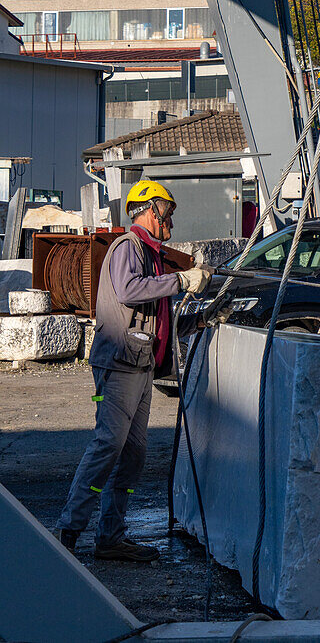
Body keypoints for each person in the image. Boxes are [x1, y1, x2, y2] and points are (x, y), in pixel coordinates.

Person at [55, 180, 216, 563]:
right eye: (168, 215)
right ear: (150, 209)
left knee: (133, 456)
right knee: (109, 444)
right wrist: (180, 280)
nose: (171, 225)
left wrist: (202, 319)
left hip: (140, 367)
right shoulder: (129, 248)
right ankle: (69, 530)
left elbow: (159, 321)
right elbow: (129, 291)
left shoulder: (153, 256)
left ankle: (110, 537)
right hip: (118, 365)